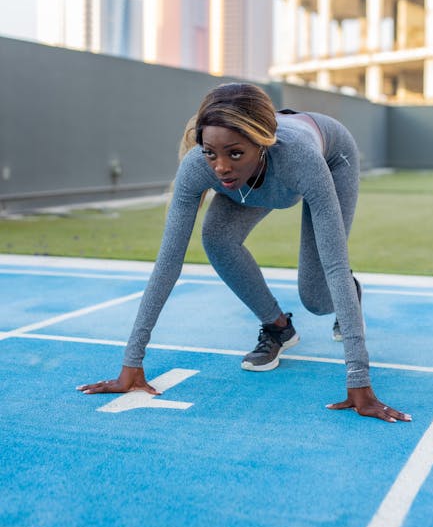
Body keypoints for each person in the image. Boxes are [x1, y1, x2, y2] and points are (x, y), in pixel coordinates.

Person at [77, 83, 411, 423]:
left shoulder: (300, 160)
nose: (220, 167)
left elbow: (336, 265)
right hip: (259, 177)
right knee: (217, 238)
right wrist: (131, 364)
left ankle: (350, 296)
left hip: (328, 157)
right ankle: (278, 327)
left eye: (234, 153)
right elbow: (168, 264)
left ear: (261, 143)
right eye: (211, 153)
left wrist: (359, 383)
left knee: (318, 297)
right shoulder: (200, 166)